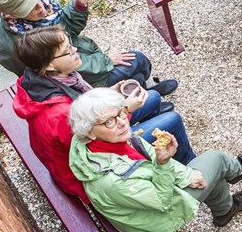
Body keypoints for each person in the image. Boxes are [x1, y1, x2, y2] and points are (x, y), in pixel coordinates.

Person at [12, 26, 195, 201]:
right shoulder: (60, 113)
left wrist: (110, 95)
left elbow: (91, 113)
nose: (75, 49)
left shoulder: (46, 79)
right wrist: (124, 110)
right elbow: (97, 144)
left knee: (152, 97)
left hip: (97, 132)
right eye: (68, 50)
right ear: (51, 64)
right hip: (91, 167)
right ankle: (187, 167)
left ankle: (152, 127)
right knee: (173, 120)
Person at [68, 88, 242, 232]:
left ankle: (225, 211)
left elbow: (149, 156)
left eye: (121, 113)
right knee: (215, 160)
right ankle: (237, 169)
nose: (122, 123)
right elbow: (162, 201)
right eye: (109, 121)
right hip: (155, 223)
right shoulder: (110, 181)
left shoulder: (101, 141)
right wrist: (165, 165)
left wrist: (186, 175)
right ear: (90, 132)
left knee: (205, 175)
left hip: (147, 203)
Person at [0, 0, 177, 93]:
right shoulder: (20, 45)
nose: (40, 7)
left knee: (134, 78)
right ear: (10, 15)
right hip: (75, 79)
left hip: (79, 59)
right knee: (138, 61)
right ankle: (148, 95)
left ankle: (147, 92)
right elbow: (61, 69)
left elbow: (68, 31)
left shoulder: (39, 13)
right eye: (30, 7)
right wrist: (105, 60)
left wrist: (79, 6)